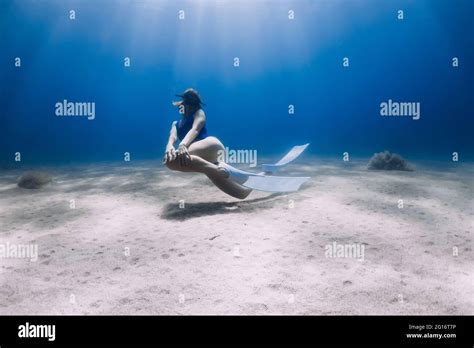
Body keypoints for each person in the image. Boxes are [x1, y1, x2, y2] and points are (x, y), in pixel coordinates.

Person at [163, 88, 251, 199]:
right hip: (202, 157)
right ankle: (220, 172)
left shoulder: (199, 113)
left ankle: (217, 170)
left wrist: (182, 145)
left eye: (192, 103)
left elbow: (195, 129)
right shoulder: (175, 124)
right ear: (181, 104)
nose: (188, 106)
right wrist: (169, 146)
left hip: (212, 146)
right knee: (241, 194)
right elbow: (172, 137)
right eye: (186, 102)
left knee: (174, 160)